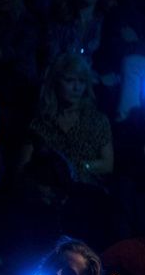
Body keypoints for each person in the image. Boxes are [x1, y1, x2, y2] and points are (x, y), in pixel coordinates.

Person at [18, 53, 113, 186]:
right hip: (45, 191)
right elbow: (23, 166)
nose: (77, 88)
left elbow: (108, 164)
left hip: (85, 190)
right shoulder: (40, 121)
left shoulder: (97, 120)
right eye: (70, 80)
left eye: (81, 81)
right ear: (56, 82)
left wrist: (79, 167)